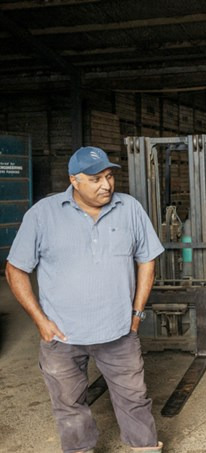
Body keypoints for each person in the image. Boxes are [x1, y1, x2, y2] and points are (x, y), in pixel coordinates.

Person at [5, 146, 164, 453]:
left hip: (119, 332)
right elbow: (15, 270)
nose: (106, 185)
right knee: (69, 407)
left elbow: (148, 261)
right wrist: (41, 321)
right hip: (62, 337)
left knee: (135, 400)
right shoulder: (43, 214)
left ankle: (145, 449)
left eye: (109, 176)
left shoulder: (129, 208)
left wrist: (137, 314)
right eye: (95, 179)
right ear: (74, 181)